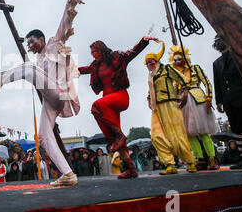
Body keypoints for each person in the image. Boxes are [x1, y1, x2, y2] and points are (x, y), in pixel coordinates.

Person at [0, 0, 84, 187]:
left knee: (29, 68)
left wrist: (70, 4)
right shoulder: (38, 60)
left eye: (32, 42)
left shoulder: (53, 44)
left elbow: (63, 25)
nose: (30, 47)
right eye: (27, 44)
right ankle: (68, 173)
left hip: (60, 92)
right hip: (50, 100)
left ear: (42, 39)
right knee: (43, 136)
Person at [78, 34, 159, 179]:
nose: (93, 54)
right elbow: (82, 70)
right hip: (107, 104)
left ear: (101, 49)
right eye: (91, 53)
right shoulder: (95, 66)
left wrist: (144, 41)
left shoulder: (117, 57)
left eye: (94, 51)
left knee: (96, 105)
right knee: (110, 131)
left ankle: (120, 136)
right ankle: (130, 168)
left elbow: (133, 53)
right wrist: (63, 68)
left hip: (120, 96)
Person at [145, 41, 197, 175]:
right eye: (147, 63)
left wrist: (185, 93)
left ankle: (190, 162)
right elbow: (151, 89)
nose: (149, 65)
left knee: (177, 135)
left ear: (156, 61)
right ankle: (169, 164)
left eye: (151, 62)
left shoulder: (167, 69)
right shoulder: (151, 75)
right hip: (157, 108)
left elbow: (183, 79)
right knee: (157, 136)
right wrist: (148, 99)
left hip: (171, 104)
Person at [169, 45, 219, 170]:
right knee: (189, 134)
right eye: (175, 60)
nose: (177, 62)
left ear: (185, 58)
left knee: (203, 132)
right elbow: (174, 91)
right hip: (184, 104)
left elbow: (207, 82)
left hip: (199, 101)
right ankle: (200, 159)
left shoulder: (195, 68)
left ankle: (212, 158)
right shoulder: (176, 75)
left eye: (179, 58)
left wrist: (209, 98)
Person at [212, 35, 242, 178]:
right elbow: (217, 83)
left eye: (221, 40)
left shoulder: (239, 57)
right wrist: (219, 101)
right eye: (216, 41)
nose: (219, 43)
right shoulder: (217, 63)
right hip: (230, 102)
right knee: (237, 131)